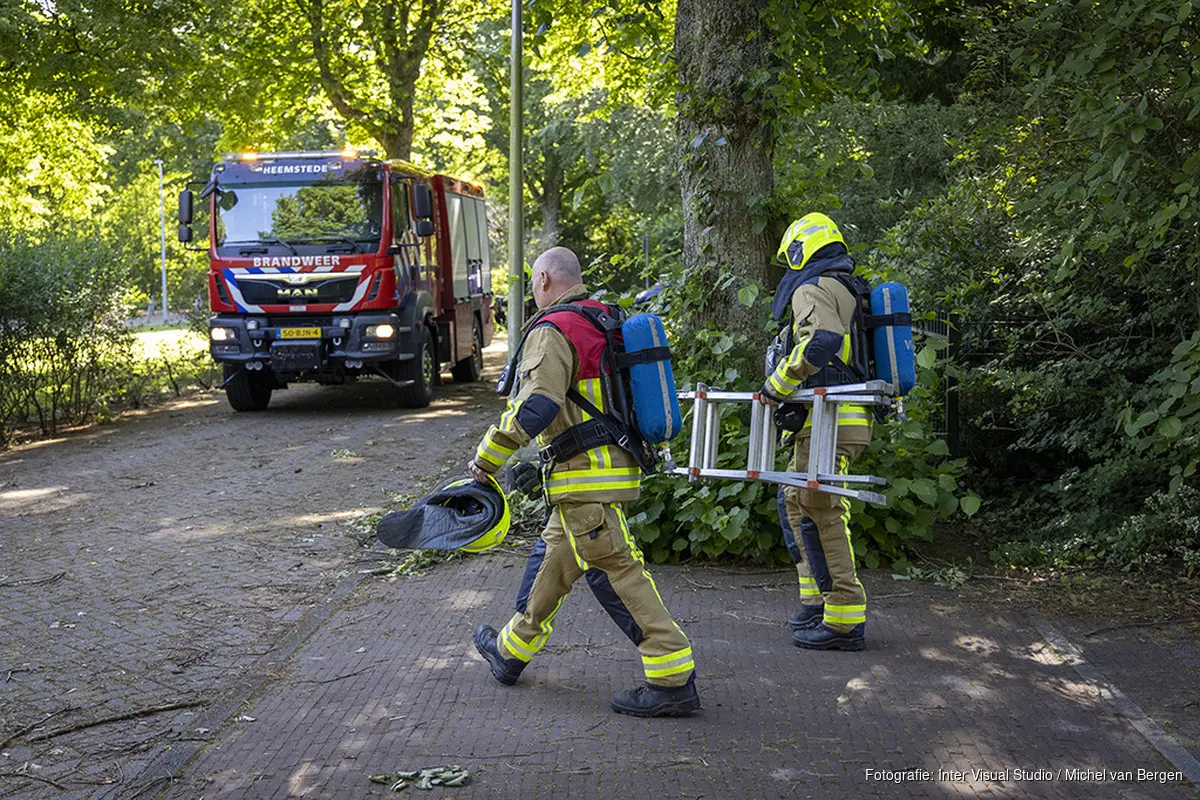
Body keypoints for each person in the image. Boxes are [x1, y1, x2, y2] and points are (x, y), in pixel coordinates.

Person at [469, 246, 700, 717]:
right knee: (553, 562)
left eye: (534, 283)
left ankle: (672, 677)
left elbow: (538, 404)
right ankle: (511, 651)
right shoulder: (604, 320)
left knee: (618, 574)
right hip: (605, 469)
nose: (533, 292)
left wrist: (488, 457)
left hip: (584, 477)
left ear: (545, 280)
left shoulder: (554, 328)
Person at [759, 213, 873, 652]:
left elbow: (822, 341)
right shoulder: (845, 287)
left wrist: (777, 385)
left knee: (821, 511)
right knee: (794, 499)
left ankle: (843, 616)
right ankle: (816, 600)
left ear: (799, 250)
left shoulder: (813, 287)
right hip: (838, 419)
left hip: (829, 422)